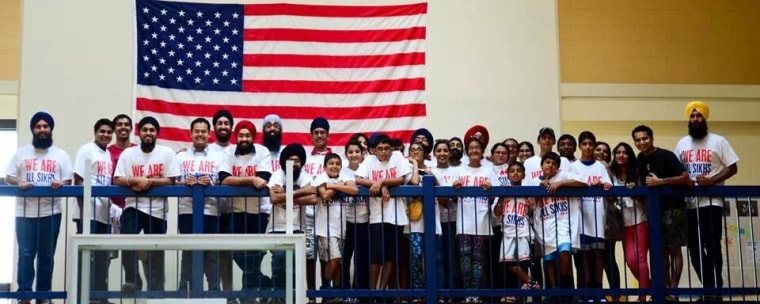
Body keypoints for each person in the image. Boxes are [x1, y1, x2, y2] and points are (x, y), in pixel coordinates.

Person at [6, 112, 73, 304]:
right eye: (38, 126)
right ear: (33, 130)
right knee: (26, 254)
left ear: (51, 129)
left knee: (46, 256)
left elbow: (68, 179)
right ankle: (25, 295)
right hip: (24, 212)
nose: (42, 129)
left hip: (50, 213)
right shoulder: (21, 153)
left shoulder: (61, 154)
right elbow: (9, 176)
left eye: (45, 126)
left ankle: (43, 296)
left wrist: (61, 183)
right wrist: (19, 181)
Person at [675, 101, 739, 302]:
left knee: (712, 245)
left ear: (705, 118)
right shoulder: (682, 143)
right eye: (692, 117)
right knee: (693, 248)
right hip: (690, 203)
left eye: (699, 116)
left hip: (712, 202)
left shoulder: (718, 141)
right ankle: (710, 288)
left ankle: (713, 291)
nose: (695, 119)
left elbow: (733, 167)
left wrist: (711, 181)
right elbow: (677, 170)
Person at [114, 116, 180, 294]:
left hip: (158, 211)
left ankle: (156, 288)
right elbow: (117, 178)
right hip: (132, 207)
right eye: (145, 130)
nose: (148, 133)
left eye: (152, 130)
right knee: (128, 244)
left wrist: (148, 182)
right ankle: (132, 281)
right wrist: (134, 180)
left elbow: (171, 179)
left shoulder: (166, 153)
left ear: (157, 133)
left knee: (156, 251)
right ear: (139, 133)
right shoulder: (128, 153)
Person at [632, 124, 692, 302]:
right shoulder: (639, 159)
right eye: (638, 140)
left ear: (652, 138)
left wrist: (662, 181)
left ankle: (673, 290)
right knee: (660, 251)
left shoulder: (666, 155)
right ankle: (664, 291)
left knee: (675, 250)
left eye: (645, 138)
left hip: (673, 208)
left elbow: (684, 177)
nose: (642, 142)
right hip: (653, 212)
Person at [175, 117, 233, 293]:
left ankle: (214, 291)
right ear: (191, 133)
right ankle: (185, 291)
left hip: (211, 211)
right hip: (186, 210)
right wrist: (185, 183)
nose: (200, 134)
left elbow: (224, 181)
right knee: (188, 251)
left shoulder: (219, 157)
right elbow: (172, 181)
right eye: (197, 131)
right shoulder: (180, 156)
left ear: (209, 134)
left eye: (203, 131)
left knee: (211, 253)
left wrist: (211, 183)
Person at [221, 120, 273, 302]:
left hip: (258, 212)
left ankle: (247, 297)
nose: (244, 138)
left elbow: (264, 178)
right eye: (241, 135)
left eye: (248, 135)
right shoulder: (228, 152)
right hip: (234, 211)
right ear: (236, 137)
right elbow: (224, 178)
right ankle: (265, 283)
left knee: (254, 255)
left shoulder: (263, 151)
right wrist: (251, 179)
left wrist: (243, 181)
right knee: (236, 252)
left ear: (253, 137)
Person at [526, 152, 585, 304]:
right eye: (547, 163)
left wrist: (560, 184)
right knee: (549, 261)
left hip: (563, 223)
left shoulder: (563, 176)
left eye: (553, 163)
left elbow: (583, 182)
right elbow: (530, 204)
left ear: (557, 167)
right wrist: (540, 189)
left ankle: (564, 285)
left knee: (565, 253)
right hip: (545, 225)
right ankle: (554, 290)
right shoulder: (534, 180)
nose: (550, 165)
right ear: (542, 165)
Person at [355, 134, 412, 291]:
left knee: (391, 256)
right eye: (380, 149)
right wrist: (379, 185)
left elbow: (401, 179)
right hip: (377, 216)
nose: (384, 152)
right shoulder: (369, 160)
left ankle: (381, 292)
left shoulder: (398, 156)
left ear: (391, 149)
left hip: (396, 216)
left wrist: (382, 181)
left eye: (387, 148)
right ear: (374, 150)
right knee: (376, 257)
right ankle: (373, 293)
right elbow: (358, 179)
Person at [267, 143, 317, 303]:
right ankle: (278, 299)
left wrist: (287, 193)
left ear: (301, 163)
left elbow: (313, 198)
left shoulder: (305, 176)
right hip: (277, 228)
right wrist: (300, 192)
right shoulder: (277, 175)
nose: (294, 163)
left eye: (297, 160)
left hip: (298, 229)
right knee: (280, 265)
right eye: (290, 160)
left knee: (295, 267)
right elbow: (274, 198)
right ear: (283, 162)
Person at [72, 118, 115, 304]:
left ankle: (100, 297)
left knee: (102, 259)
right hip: (88, 213)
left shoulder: (107, 155)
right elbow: (78, 178)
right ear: (95, 132)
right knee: (86, 258)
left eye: (108, 132)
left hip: (103, 214)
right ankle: (85, 297)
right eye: (102, 131)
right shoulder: (86, 150)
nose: (105, 135)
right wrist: (85, 211)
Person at [569, 131, 612, 301]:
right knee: (585, 257)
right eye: (584, 144)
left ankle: (599, 292)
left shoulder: (600, 167)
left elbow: (608, 184)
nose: (587, 147)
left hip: (597, 215)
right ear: (580, 146)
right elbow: (571, 183)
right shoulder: (574, 166)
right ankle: (588, 293)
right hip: (580, 216)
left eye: (590, 144)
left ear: (594, 146)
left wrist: (602, 184)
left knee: (598, 255)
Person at [452, 136, 494, 304]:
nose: (474, 150)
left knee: (478, 259)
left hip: (481, 221)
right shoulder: (460, 170)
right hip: (464, 221)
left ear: (482, 150)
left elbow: (494, 199)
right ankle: (467, 293)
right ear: (467, 151)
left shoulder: (489, 170)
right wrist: (455, 189)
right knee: (465, 259)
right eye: (471, 148)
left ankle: (475, 294)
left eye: (477, 147)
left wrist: (489, 190)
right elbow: (453, 200)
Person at [492, 161, 540, 303]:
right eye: (512, 171)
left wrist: (531, 204)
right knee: (506, 264)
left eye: (519, 170)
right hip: (507, 233)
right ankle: (531, 283)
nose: (515, 173)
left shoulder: (527, 192)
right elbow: (496, 212)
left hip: (523, 233)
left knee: (523, 264)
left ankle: (520, 295)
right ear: (507, 174)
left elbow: (531, 213)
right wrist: (501, 196)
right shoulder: (503, 191)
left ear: (524, 174)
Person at [314, 153, 358, 302]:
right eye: (331, 163)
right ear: (325, 166)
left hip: (340, 228)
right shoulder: (321, 177)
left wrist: (334, 185)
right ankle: (325, 289)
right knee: (335, 258)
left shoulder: (342, 177)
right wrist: (340, 186)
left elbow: (355, 190)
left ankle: (336, 294)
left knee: (337, 262)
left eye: (337, 164)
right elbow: (325, 195)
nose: (334, 166)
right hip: (325, 228)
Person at [609, 142, 650, 302]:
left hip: (639, 219)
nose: (621, 155)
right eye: (618, 152)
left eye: (624, 152)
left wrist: (635, 188)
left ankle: (642, 297)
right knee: (630, 261)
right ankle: (652, 287)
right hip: (621, 223)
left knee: (640, 259)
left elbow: (643, 195)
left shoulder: (637, 172)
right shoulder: (611, 174)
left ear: (629, 155)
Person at [208, 109, 237, 302]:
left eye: (227, 123)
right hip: (210, 210)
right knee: (210, 252)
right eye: (220, 123)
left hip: (233, 209)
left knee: (228, 252)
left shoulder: (237, 149)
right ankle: (213, 291)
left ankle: (228, 293)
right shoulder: (208, 150)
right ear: (214, 127)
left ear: (231, 127)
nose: (223, 126)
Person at [431, 139, 462, 298]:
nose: (442, 153)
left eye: (445, 150)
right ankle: (440, 294)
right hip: (435, 222)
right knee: (438, 259)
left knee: (452, 258)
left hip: (453, 221)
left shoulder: (457, 171)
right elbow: (443, 201)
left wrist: (442, 191)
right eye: (439, 150)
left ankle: (452, 293)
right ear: (434, 153)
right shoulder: (429, 171)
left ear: (449, 153)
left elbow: (455, 199)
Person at [339, 141, 370, 294]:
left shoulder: (367, 169)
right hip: (346, 222)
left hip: (364, 221)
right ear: (346, 154)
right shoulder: (342, 171)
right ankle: (344, 294)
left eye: (357, 151)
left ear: (362, 153)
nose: (354, 155)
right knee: (344, 259)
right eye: (350, 152)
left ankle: (360, 295)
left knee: (362, 260)